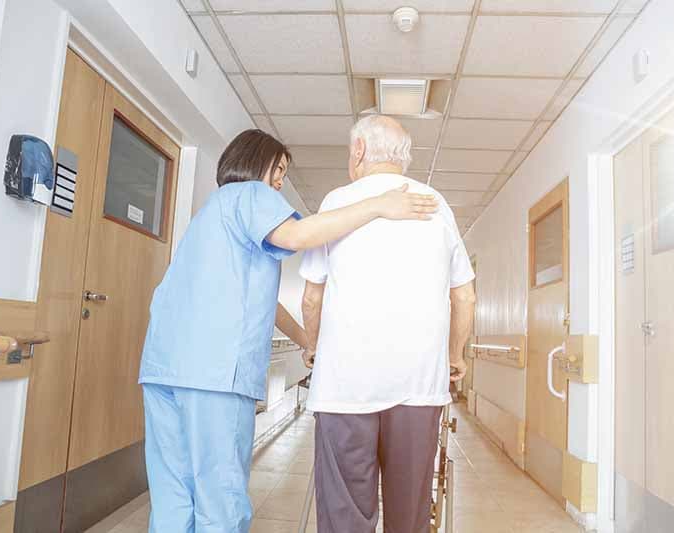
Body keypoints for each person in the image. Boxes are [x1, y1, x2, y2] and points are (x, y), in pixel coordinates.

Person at [138, 128, 439, 533]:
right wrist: (379, 206)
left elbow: (263, 302)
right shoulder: (251, 195)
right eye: (278, 170)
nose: (280, 181)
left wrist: (306, 341)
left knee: (173, 497)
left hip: (164, 369)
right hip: (214, 374)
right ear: (254, 160)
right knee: (219, 498)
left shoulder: (212, 211)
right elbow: (298, 236)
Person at [299, 115, 476, 533]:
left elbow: (312, 296)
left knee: (345, 515)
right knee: (410, 514)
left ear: (358, 150)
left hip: (346, 388)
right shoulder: (435, 204)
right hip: (418, 388)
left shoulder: (337, 201)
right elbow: (464, 295)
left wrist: (312, 346)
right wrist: (455, 355)